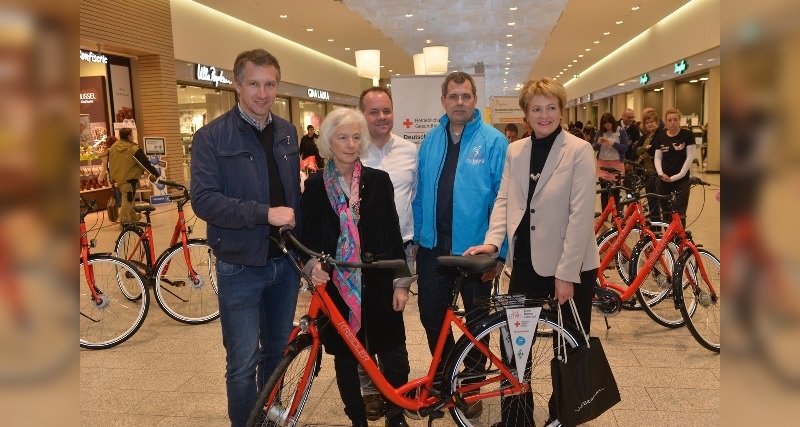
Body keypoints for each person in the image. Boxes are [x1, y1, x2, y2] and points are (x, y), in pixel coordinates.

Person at [465, 77, 600, 427]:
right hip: (524, 263)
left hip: (570, 265)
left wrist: (566, 274)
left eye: (551, 107)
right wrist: (494, 241)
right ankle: (516, 419)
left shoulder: (579, 150)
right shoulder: (516, 150)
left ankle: (564, 414)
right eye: (536, 109)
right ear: (526, 114)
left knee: (568, 345)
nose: (544, 115)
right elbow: (505, 200)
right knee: (516, 345)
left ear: (561, 110)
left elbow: (581, 214)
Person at [189, 49, 302, 427]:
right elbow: (204, 201)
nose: (262, 92)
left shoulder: (288, 132)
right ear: (236, 84)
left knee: (276, 354)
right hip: (240, 265)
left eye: (270, 84)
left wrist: (306, 253)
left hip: (283, 264)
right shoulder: (211, 137)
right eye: (253, 83)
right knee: (241, 362)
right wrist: (263, 213)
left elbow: (294, 198)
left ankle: (269, 420)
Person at [300, 108, 413, 427]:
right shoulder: (317, 186)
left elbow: (393, 234)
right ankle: (357, 420)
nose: (350, 144)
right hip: (336, 288)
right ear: (328, 142)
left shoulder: (379, 181)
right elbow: (306, 237)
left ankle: (395, 416)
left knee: (393, 355)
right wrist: (311, 264)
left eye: (355, 136)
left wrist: (401, 283)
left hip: (378, 282)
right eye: (342, 137)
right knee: (346, 361)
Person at [412, 71, 508, 418]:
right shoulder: (430, 141)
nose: (459, 102)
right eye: (453, 96)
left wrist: (501, 253)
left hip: (476, 253)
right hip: (433, 249)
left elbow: (504, 201)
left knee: (478, 323)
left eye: (466, 96)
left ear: (475, 99)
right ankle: (442, 377)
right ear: (443, 101)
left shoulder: (494, 142)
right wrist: (420, 240)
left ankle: (470, 384)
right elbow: (421, 195)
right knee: (431, 317)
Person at [356, 86, 418, 421]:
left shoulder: (411, 152)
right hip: (361, 256)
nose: (382, 117)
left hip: (401, 250)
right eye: (374, 112)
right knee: (361, 324)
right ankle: (369, 391)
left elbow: (417, 199)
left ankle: (397, 389)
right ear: (362, 114)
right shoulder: (352, 151)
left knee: (393, 322)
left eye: (387, 110)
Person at [107, 128, 160, 224]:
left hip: (119, 178)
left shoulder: (113, 147)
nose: (133, 136)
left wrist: (111, 176)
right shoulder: (133, 149)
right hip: (129, 178)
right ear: (129, 136)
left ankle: (133, 217)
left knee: (130, 199)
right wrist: (155, 173)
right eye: (132, 134)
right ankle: (124, 221)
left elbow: (109, 164)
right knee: (127, 200)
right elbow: (145, 163)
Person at [653, 108, 695, 226]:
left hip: (681, 179)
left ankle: (679, 241)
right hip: (663, 179)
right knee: (666, 212)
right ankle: (668, 242)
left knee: (680, 213)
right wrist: (661, 173)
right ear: (666, 121)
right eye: (669, 120)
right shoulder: (661, 136)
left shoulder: (687, 135)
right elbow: (657, 158)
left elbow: (690, 157)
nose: (672, 122)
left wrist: (678, 176)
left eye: (675, 119)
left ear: (680, 120)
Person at [592, 112, 629, 210]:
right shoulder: (600, 132)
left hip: (616, 163)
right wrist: (599, 143)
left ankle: (616, 215)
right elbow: (594, 148)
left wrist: (613, 144)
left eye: (609, 123)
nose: (607, 126)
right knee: (604, 190)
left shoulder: (620, 131)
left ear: (613, 122)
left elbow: (625, 148)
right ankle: (604, 214)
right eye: (605, 124)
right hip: (602, 163)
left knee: (616, 190)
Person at [636, 110, 663, 220]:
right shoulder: (647, 136)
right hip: (647, 170)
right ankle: (653, 220)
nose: (649, 124)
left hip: (656, 171)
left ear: (657, 122)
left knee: (655, 198)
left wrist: (645, 151)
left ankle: (656, 222)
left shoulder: (660, 134)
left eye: (652, 121)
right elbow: (636, 149)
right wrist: (644, 150)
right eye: (647, 122)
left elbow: (653, 150)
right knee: (650, 196)